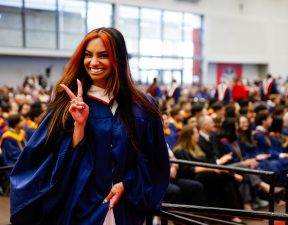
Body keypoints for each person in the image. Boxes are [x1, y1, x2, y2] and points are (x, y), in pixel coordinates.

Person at [10, 27, 170, 225]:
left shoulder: (142, 106)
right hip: (81, 206)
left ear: (118, 59)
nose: (93, 62)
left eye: (103, 55)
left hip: (124, 207)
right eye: (88, 55)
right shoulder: (66, 103)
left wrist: (127, 184)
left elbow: (153, 159)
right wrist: (79, 126)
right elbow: (48, 160)